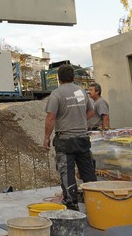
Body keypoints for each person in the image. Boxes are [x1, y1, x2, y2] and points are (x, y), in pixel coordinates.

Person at [43, 65, 97, 211]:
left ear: (58, 78)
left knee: (67, 174)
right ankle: (96, 203)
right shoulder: (81, 92)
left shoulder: (56, 94)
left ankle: (72, 206)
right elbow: (91, 112)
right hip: (82, 138)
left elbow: (51, 117)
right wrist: (80, 121)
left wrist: (46, 138)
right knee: (88, 171)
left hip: (65, 140)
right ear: (73, 77)